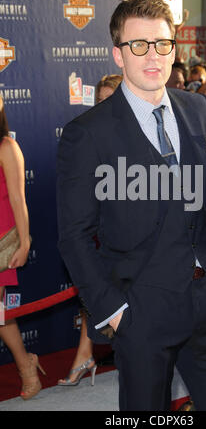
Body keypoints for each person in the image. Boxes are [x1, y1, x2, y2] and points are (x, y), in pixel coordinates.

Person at [57, 0, 206, 411]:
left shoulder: (197, 108)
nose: (153, 56)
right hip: (141, 310)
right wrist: (113, 312)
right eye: (138, 45)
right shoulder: (89, 133)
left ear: (173, 49)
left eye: (162, 44)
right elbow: (74, 235)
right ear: (118, 54)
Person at [58, 74, 122, 386]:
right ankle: (85, 352)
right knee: (93, 289)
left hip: (129, 239)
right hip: (95, 232)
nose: (104, 107)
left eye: (111, 99)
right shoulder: (86, 137)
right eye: (99, 101)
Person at [0, 96, 45, 400]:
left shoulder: (7, 146)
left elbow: (18, 198)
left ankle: (27, 367)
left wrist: (25, 241)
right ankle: (26, 363)